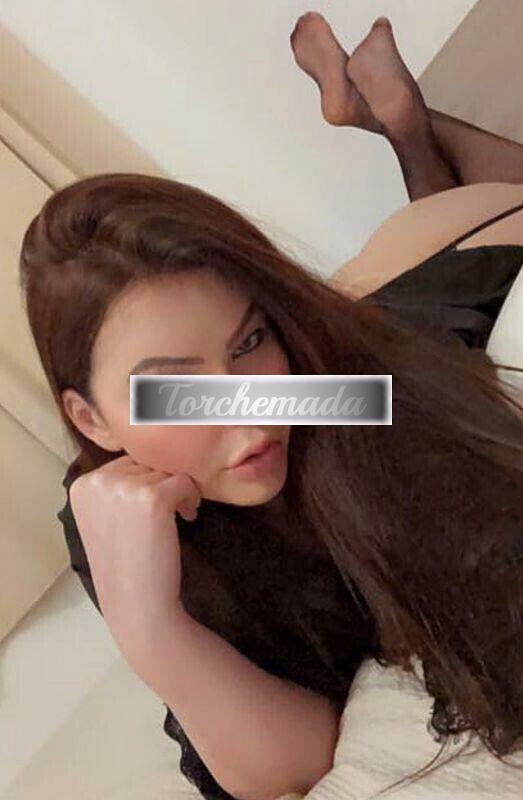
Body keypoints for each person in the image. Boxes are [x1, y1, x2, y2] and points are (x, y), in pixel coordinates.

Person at [18, 12, 523, 800]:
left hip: (426, 302)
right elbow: (288, 767)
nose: (251, 412)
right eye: (178, 391)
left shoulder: (344, 402)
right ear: (91, 420)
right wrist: (149, 627)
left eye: (249, 341)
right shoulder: (110, 515)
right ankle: (398, 123)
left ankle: (404, 128)